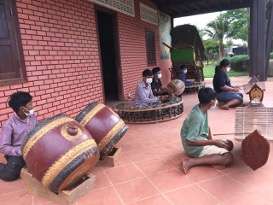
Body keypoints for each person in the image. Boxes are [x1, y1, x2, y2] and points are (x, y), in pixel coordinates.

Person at [180, 87, 233, 174]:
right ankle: (190, 162)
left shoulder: (202, 108)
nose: (216, 101)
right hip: (193, 148)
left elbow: (207, 127)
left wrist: (212, 141)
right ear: (211, 102)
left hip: (200, 140)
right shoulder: (197, 116)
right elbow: (190, 141)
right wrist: (213, 142)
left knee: (229, 145)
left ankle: (212, 158)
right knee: (228, 157)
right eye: (215, 99)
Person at [0, 91, 37, 181]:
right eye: (30, 104)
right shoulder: (9, 125)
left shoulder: (32, 117)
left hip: (33, 148)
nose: (32, 106)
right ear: (22, 109)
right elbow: (3, 147)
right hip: (17, 153)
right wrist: (21, 151)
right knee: (9, 175)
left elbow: (37, 130)